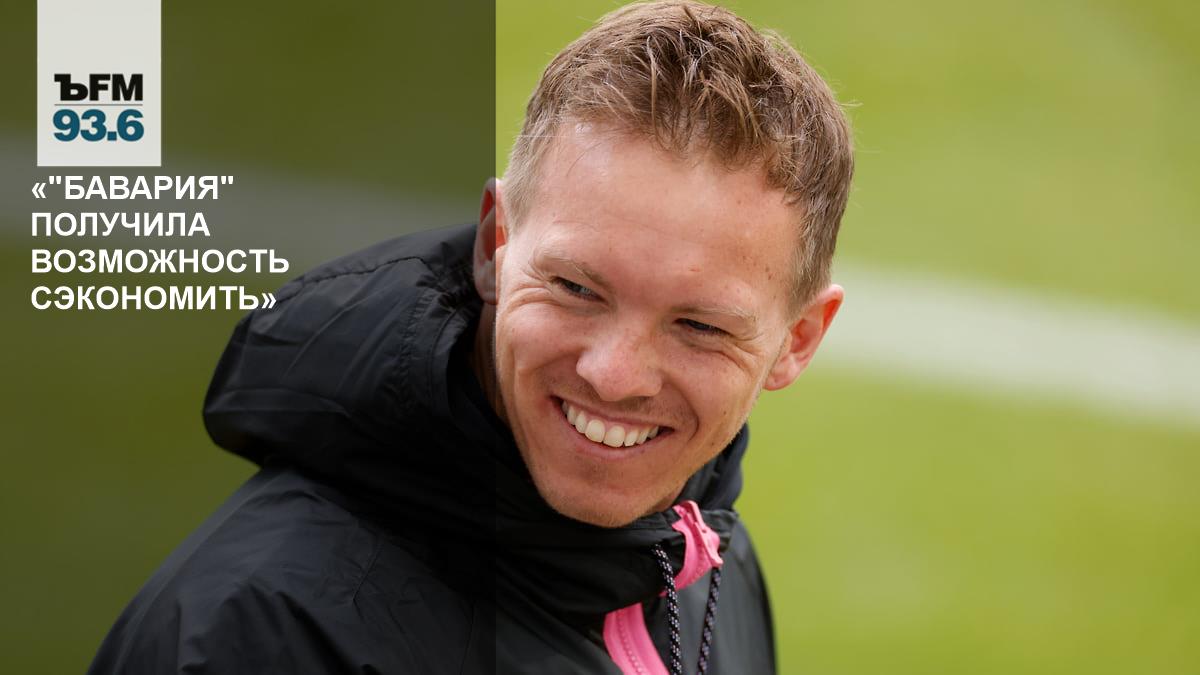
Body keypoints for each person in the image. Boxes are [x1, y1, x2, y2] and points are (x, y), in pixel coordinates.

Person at [88, 1, 853, 672]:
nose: (615, 375)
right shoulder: (259, 636)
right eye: (576, 288)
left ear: (798, 339)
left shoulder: (701, 551)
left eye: (698, 325)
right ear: (495, 246)